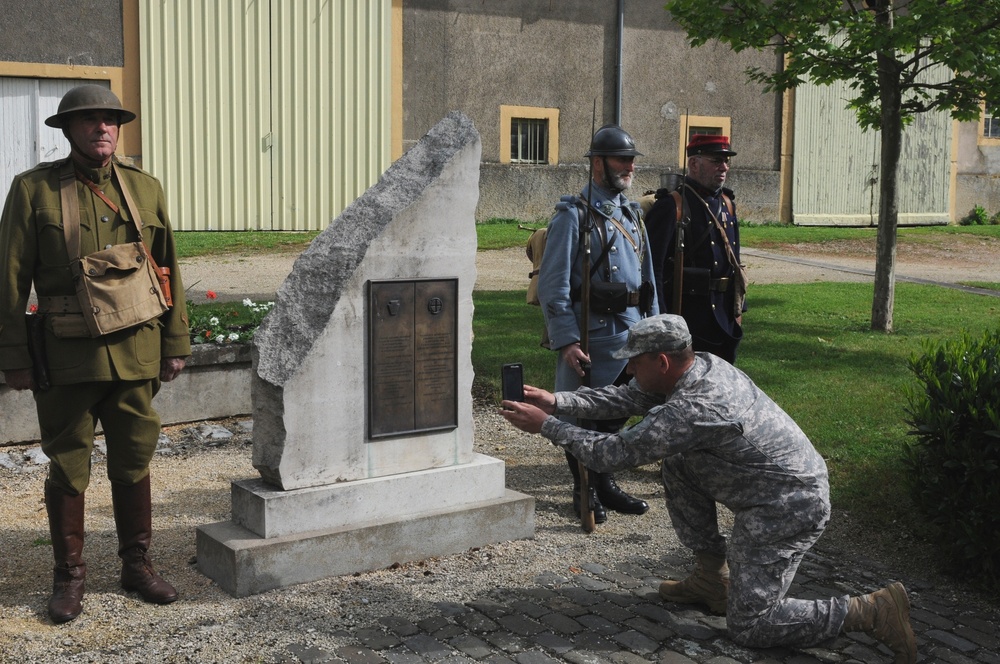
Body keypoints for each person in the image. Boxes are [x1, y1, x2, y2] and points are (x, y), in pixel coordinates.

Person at [499, 314, 917, 663]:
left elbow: (610, 454)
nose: (628, 370)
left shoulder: (696, 407)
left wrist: (547, 427)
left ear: (661, 361)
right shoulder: (700, 366)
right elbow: (627, 400)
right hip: (769, 488)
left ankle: (870, 611)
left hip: (788, 505)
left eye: (634, 362)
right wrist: (557, 402)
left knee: (751, 626)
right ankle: (711, 578)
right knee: (680, 462)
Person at [0, 85, 191, 623]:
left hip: (136, 351)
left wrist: (175, 343)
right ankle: (69, 577)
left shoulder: (144, 189)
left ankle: (137, 566)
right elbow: (10, 278)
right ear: (67, 129)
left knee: (134, 454)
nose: (102, 128)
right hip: (68, 354)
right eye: (89, 121)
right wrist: (12, 354)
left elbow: (166, 267)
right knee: (68, 463)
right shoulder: (32, 190)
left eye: (110, 119)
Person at [536, 123, 659, 524]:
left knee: (616, 415)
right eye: (622, 159)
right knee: (582, 414)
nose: (630, 167)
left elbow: (648, 279)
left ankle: (604, 482)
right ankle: (583, 488)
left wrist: (654, 330)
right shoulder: (574, 216)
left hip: (634, 332)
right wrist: (568, 341)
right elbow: (553, 287)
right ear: (597, 164)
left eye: (631, 160)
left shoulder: (632, 214)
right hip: (595, 337)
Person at [646, 135, 744, 363]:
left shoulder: (727, 204)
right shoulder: (672, 206)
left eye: (726, 161)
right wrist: (662, 318)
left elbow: (736, 263)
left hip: (724, 316)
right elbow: (654, 269)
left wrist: (739, 309)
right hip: (690, 315)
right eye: (716, 161)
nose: (724, 167)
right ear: (694, 164)